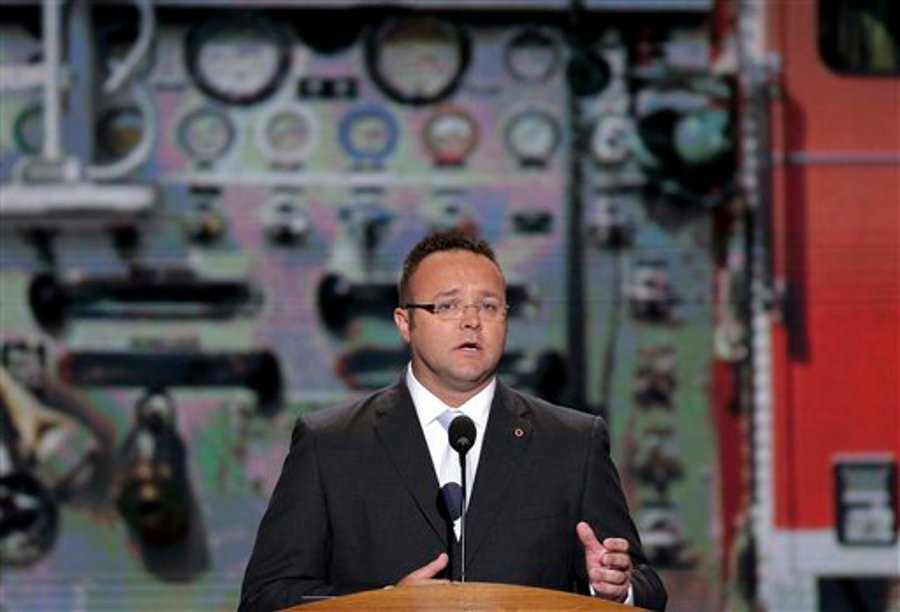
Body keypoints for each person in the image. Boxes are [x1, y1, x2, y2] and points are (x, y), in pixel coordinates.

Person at [239, 232, 667, 611]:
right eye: (446, 306)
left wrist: (615, 589)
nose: (471, 321)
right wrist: (385, 605)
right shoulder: (329, 444)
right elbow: (266, 597)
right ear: (405, 323)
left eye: (489, 306)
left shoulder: (572, 443)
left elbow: (647, 587)